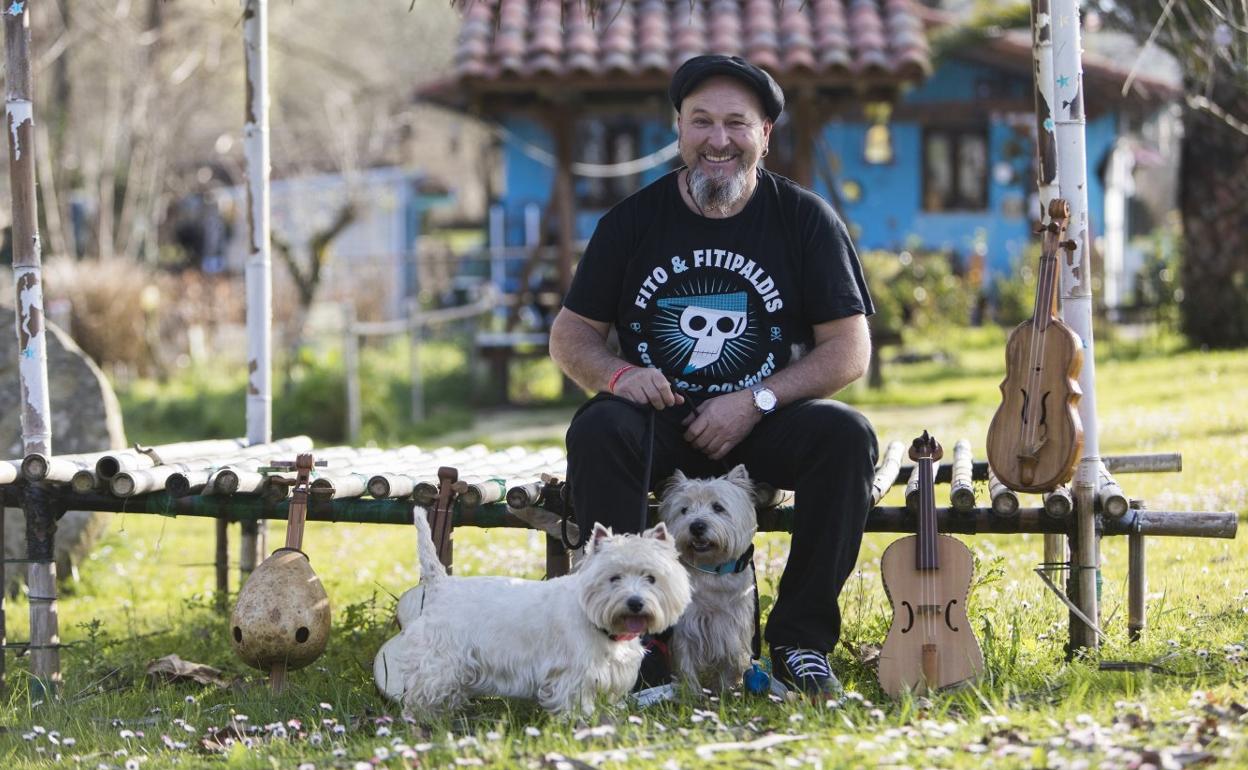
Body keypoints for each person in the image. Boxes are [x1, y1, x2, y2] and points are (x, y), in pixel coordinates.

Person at [548, 54, 878, 696]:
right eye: (701, 122)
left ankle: (799, 644)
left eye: (736, 123)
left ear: (765, 135)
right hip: (657, 419)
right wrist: (619, 376)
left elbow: (849, 349)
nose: (718, 140)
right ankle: (633, 654)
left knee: (846, 437)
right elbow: (570, 336)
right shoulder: (631, 222)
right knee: (599, 431)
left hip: (763, 419)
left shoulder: (806, 220)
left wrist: (756, 400)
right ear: (679, 129)